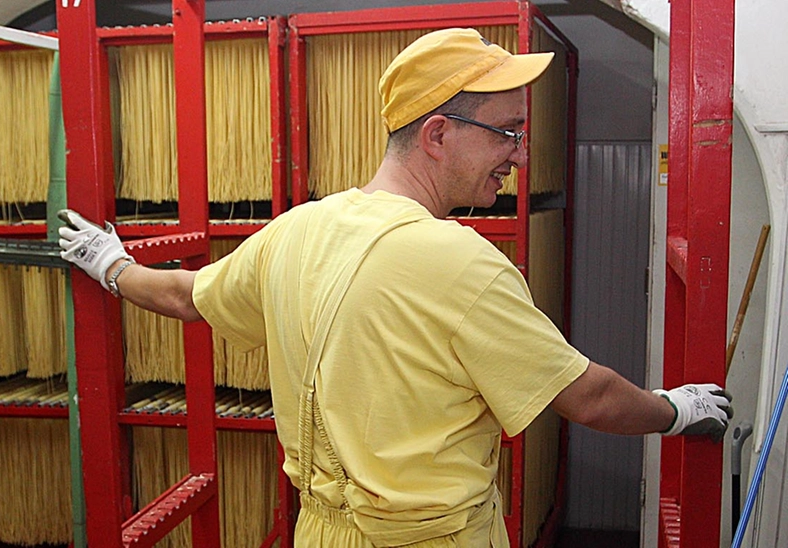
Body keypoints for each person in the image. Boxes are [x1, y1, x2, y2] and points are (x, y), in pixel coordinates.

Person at [57, 28, 731, 547]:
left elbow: (185, 295)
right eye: (509, 132)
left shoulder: (295, 232)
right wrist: (674, 411)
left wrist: (109, 264)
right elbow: (589, 397)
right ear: (438, 133)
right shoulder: (461, 261)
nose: (521, 156)